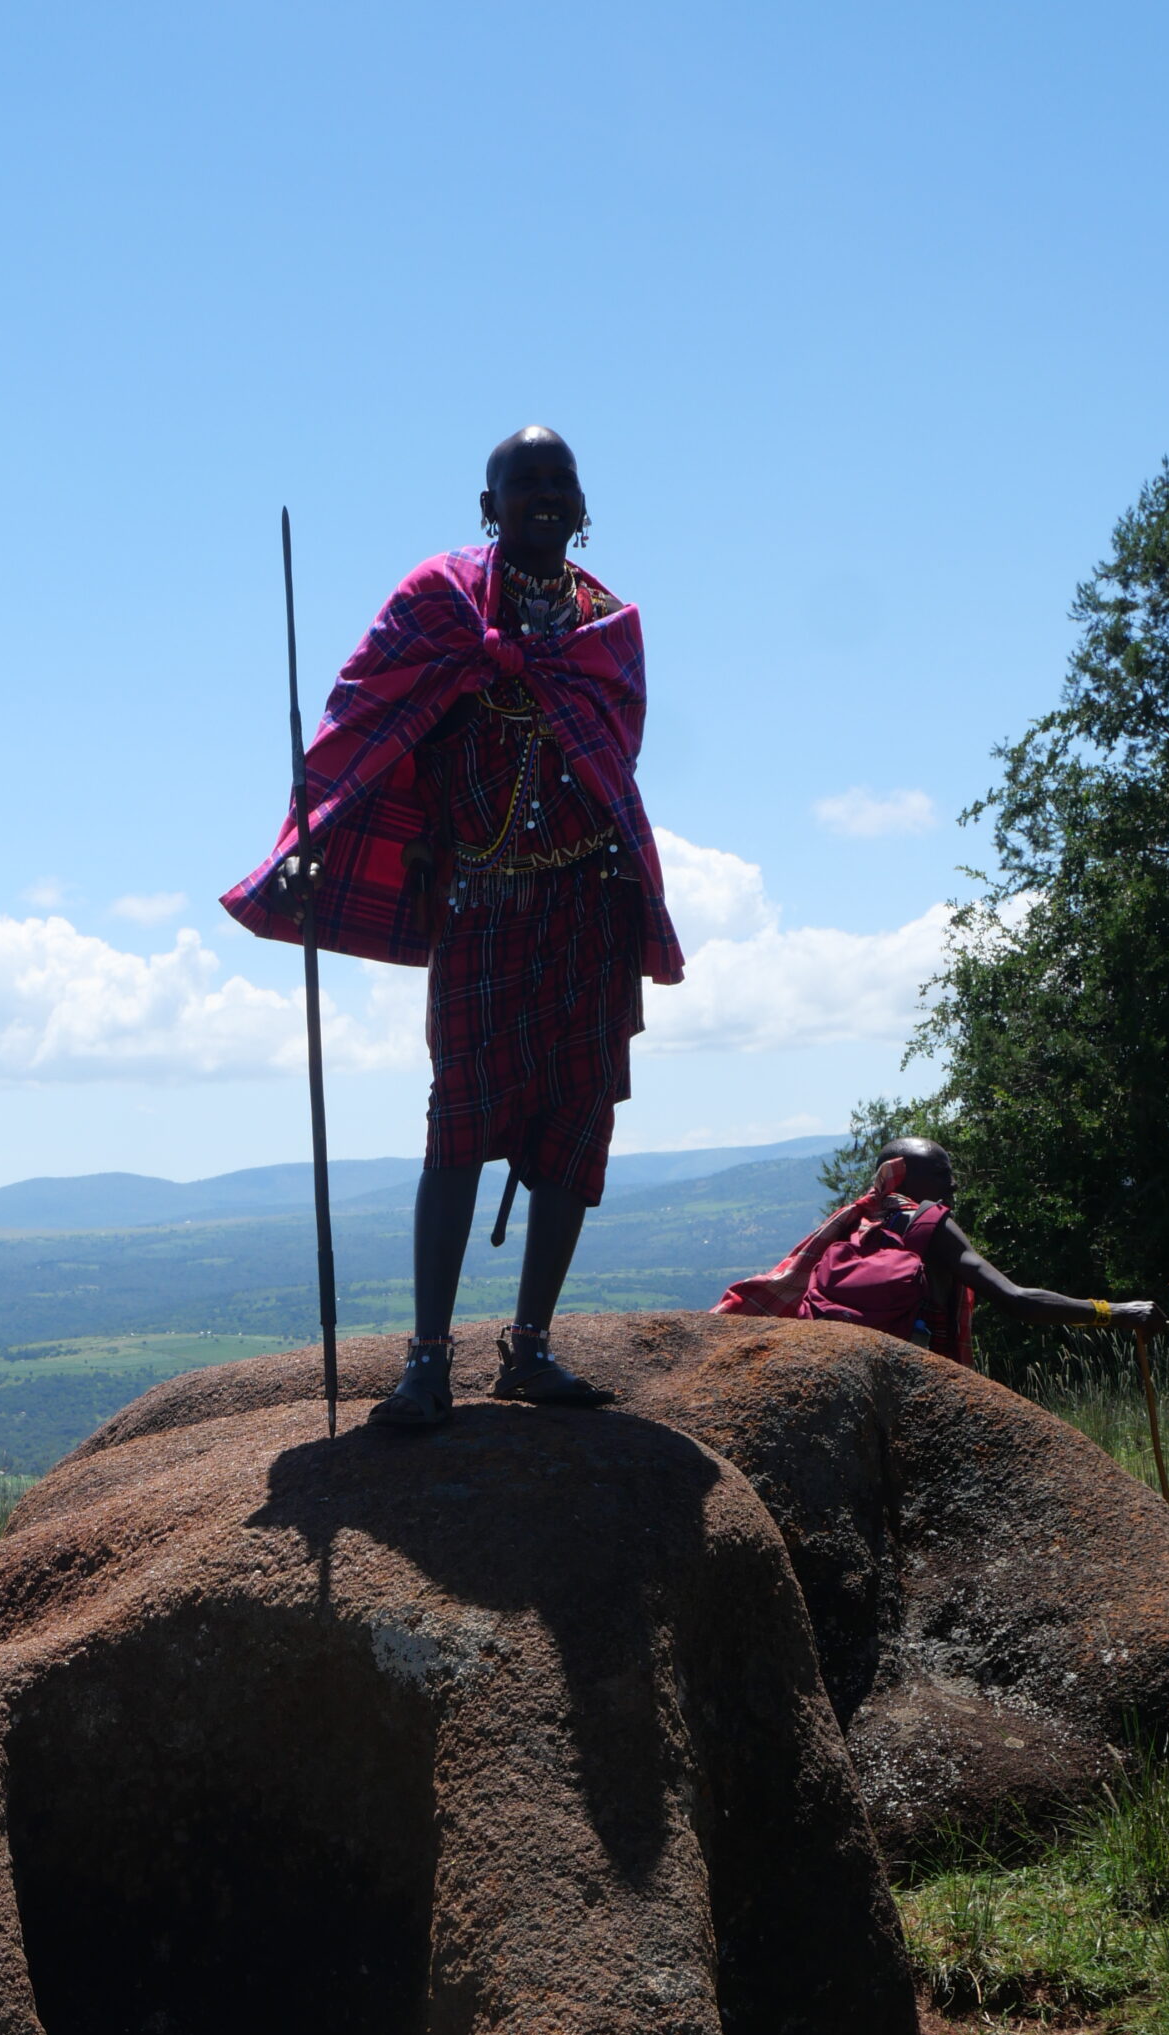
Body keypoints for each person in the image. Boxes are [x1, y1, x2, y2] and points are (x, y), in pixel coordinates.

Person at [222, 427, 684, 1426]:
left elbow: (617, 755)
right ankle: (427, 1362)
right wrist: (313, 831)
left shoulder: (610, 627)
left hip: (587, 903)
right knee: (459, 1128)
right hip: (485, 902)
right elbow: (361, 724)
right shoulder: (437, 602)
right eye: (525, 483)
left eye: (561, 482)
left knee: (576, 1126)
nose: (545, 497)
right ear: (491, 505)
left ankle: (529, 1350)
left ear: (581, 503)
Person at [725, 1135, 1166, 1352]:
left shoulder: (856, 1221)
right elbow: (1016, 1300)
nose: (953, 1185)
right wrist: (1114, 1313)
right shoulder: (926, 1221)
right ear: (906, 1177)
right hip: (915, 1377)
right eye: (941, 1175)